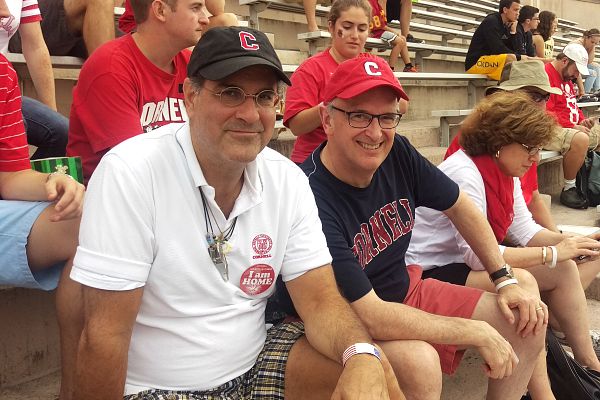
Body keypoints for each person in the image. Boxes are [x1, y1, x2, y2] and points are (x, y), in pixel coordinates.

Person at [70, 26, 402, 400]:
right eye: (230, 93)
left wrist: (360, 355)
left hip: (255, 363)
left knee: (376, 371)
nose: (249, 114)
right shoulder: (131, 172)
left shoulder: (287, 179)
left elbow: (321, 301)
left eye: (264, 97)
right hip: (160, 387)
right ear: (190, 96)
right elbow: (104, 336)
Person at [277, 54, 547, 400]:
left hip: (404, 291)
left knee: (525, 320)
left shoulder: (397, 152)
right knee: (419, 362)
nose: (375, 132)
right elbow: (369, 314)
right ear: (327, 119)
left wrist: (503, 279)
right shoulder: (311, 195)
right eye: (359, 115)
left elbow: (460, 206)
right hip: (342, 322)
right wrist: (474, 330)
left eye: (387, 117)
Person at [407, 91, 600, 399]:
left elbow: (525, 230)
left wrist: (573, 243)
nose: (535, 158)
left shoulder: (501, 169)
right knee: (523, 286)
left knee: (562, 267)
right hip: (430, 269)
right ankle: (542, 394)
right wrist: (551, 252)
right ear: (500, 141)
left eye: (538, 149)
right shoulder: (464, 173)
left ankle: (589, 366)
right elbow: (479, 257)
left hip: (459, 262)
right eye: (530, 148)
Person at [0, 51, 84, 396]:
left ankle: (75, 392)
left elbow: (10, 177)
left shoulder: (2, 72)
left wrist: (52, 183)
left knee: (88, 222)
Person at [67, 0, 210, 184]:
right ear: (160, 10)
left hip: (171, 186)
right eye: (195, 8)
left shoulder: (191, 64)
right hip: (113, 193)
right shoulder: (110, 67)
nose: (206, 19)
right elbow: (135, 165)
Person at [446, 61, 561, 232]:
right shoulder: (470, 146)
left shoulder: (525, 143)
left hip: (508, 227)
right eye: (534, 96)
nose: (542, 105)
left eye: (546, 97)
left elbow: (532, 198)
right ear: (505, 97)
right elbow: (477, 230)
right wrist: (555, 245)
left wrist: (562, 238)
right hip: (484, 234)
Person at [284, 0, 371, 164]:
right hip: (314, 161)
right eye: (347, 27)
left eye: (362, 29)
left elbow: (401, 105)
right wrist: (334, 102)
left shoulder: (373, 65)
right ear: (331, 27)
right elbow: (296, 126)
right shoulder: (310, 69)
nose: (355, 35)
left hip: (357, 159)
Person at [0, 0, 69, 159]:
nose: (6, 13)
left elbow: (35, 46)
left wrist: (51, 109)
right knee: (18, 127)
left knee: (61, 132)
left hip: (5, 87)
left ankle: (22, 173)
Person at [544, 43, 600, 209]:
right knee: (580, 139)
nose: (577, 75)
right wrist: (574, 126)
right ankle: (569, 187)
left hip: (569, 126)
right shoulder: (546, 75)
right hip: (548, 127)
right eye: (576, 70)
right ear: (565, 61)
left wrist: (582, 121)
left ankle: (593, 184)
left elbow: (572, 107)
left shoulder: (566, 78)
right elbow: (546, 112)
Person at [9, 0, 119, 58]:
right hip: (23, 20)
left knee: (127, 44)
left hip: (74, 19)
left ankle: (106, 84)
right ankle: (108, 86)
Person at [465, 0, 528, 81]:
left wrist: (513, 32)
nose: (518, 13)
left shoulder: (507, 24)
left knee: (521, 60)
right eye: (515, 10)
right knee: (511, 58)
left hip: (492, 61)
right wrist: (519, 57)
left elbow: (516, 50)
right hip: (476, 63)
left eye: (518, 10)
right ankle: (509, 87)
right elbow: (498, 49)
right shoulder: (492, 21)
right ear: (505, 10)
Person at [118, 0, 238, 34]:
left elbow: (217, 10)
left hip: (175, 20)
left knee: (227, 21)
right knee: (187, 27)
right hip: (142, 26)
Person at [368, 0, 416, 72]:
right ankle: (390, 68)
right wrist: (394, 32)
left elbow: (382, 24)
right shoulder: (370, 4)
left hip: (380, 31)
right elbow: (381, 26)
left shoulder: (378, 5)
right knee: (400, 41)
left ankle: (408, 65)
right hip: (376, 33)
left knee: (403, 38)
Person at [572, 29, 600, 96]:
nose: (593, 44)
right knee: (593, 73)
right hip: (571, 66)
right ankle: (585, 95)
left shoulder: (589, 45)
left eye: (596, 43)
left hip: (580, 64)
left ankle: (597, 91)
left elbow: (589, 61)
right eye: (592, 42)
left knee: (596, 67)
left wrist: (593, 47)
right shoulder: (577, 44)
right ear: (587, 37)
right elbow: (574, 64)